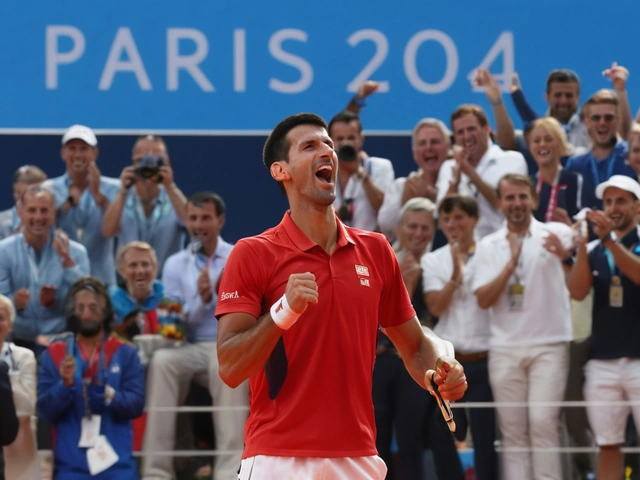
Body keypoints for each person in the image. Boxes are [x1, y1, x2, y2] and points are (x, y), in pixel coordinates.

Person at [215, 113, 467, 480]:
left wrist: (440, 368)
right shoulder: (252, 253)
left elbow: (413, 346)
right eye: (310, 146)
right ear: (280, 170)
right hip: (277, 460)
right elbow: (230, 366)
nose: (327, 152)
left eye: (329, 144)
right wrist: (283, 312)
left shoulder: (377, 250)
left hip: (359, 460)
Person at [472, 173, 574, 480]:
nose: (516, 203)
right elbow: (483, 299)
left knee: (543, 423)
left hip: (550, 344)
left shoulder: (556, 233)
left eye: (521, 196)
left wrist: (567, 251)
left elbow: (580, 264)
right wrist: (510, 264)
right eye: (510, 197)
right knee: (513, 432)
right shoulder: (488, 245)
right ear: (500, 202)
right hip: (505, 348)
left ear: (533, 199)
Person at [143, 191, 248, 480]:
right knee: (162, 361)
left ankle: (229, 472)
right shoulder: (174, 264)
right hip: (188, 345)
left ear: (220, 221)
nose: (199, 224)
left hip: (226, 343)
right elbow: (171, 328)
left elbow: (249, 313)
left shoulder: (239, 255)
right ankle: (156, 471)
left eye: (205, 218)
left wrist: (220, 296)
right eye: (193, 218)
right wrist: (202, 300)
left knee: (226, 366)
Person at [374, 198, 464, 480]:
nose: (418, 233)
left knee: (412, 441)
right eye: (412, 226)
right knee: (377, 442)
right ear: (399, 228)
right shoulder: (381, 261)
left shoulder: (437, 265)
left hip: (416, 364)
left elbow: (430, 318)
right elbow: (378, 318)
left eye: (425, 228)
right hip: (381, 362)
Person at [568, 175, 640, 480]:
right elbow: (577, 291)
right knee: (608, 445)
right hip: (602, 361)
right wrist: (583, 243)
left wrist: (609, 240)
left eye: (621, 200)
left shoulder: (614, 242)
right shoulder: (596, 247)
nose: (613, 207)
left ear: (637, 206)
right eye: (608, 201)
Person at [37, 276, 145, 479]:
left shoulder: (126, 352)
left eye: (94, 308)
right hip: (70, 467)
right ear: (72, 311)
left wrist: (109, 394)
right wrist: (65, 385)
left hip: (117, 464)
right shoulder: (55, 353)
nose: (86, 314)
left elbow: (137, 405)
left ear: (105, 313)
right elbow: (44, 409)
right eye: (80, 307)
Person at [422, 194, 497, 480]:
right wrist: (455, 276)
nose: (453, 223)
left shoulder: (492, 252)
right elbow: (436, 307)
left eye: (459, 217)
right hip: (449, 365)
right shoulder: (433, 260)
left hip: (486, 359)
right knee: (444, 435)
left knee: (486, 436)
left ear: (474, 220)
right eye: (447, 218)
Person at [0, 185, 90, 355]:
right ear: (20, 213)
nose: (38, 217)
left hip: (61, 341)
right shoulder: (3, 252)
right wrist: (14, 303)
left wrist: (68, 264)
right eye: (32, 210)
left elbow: (87, 301)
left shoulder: (75, 253)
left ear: (53, 213)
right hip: (16, 342)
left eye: (44, 210)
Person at [44, 124, 121, 285]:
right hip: (61, 282)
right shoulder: (47, 190)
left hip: (103, 281)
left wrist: (99, 196)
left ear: (94, 153)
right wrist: (67, 205)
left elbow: (120, 228)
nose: (78, 154)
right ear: (63, 153)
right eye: (72, 148)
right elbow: (41, 229)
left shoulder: (115, 188)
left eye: (84, 148)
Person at [436, 104, 528, 238]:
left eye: (471, 129)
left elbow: (501, 204)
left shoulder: (512, 159)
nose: (466, 136)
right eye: (460, 132)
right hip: (463, 248)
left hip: (504, 245)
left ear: (486, 129)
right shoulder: (448, 167)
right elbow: (442, 218)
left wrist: (469, 172)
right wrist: (455, 181)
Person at [102, 135, 188, 274]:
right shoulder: (122, 196)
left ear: (167, 164)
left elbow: (191, 226)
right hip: (129, 282)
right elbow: (108, 231)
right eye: (142, 160)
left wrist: (170, 187)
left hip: (168, 282)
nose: (149, 165)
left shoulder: (174, 197)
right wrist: (123, 191)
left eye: (156, 160)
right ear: (133, 163)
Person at [378, 118, 451, 242]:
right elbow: (386, 227)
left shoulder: (461, 182)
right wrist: (408, 202)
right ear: (415, 153)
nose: (429, 147)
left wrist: (436, 204)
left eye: (435, 142)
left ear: (448, 147)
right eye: (422, 143)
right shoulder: (401, 186)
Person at [565, 90, 636, 210]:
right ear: (587, 123)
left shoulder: (632, 157)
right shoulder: (575, 165)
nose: (602, 123)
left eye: (609, 118)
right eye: (596, 118)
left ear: (618, 121)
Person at [328, 111, 395, 232]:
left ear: (361, 139)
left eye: (351, 138)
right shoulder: (323, 173)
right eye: (340, 139)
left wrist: (362, 176)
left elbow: (386, 214)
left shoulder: (380, 167)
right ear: (330, 143)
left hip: (369, 246)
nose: (346, 143)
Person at [0, 294, 39, 480]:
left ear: (10, 325)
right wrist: (11, 381)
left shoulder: (24, 356)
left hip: (22, 447)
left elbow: (27, 405)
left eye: (0, 317)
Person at [109, 241, 174, 342]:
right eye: (133, 265)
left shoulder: (168, 295)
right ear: (121, 270)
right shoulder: (110, 299)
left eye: (145, 264)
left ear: (155, 268)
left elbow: (174, 338)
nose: (140, 271)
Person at [527, 117, 583, 224]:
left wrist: (570, 225)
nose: (542, 144)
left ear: (560, 144)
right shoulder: (528, 185)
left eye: (548, 139)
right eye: (536, 141)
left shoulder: (575, 180)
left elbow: (584, 224)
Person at [0, 165, 47, 240]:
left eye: (37, 194)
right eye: (25, 195)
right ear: (15, 197)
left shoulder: (58, 220)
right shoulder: (1, 223)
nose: (33, 201)